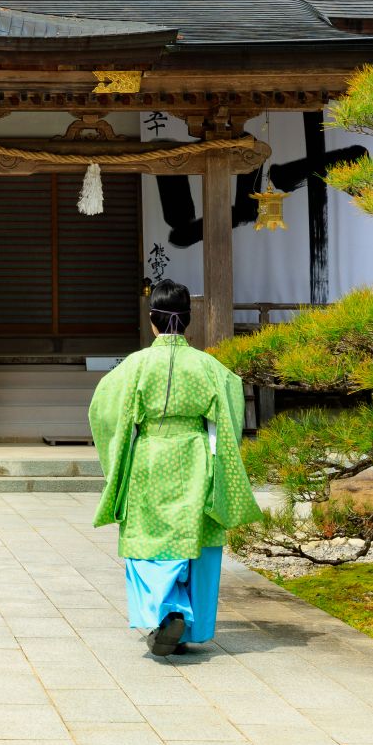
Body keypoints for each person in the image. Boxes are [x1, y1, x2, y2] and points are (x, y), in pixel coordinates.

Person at [88, 279, 260, 657]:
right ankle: (188, 621)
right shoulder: (210, 367)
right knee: (195, 536)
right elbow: (232, 406)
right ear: (188, 321)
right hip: (196, 453)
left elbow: (103, 408)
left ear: (152, 321)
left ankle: (168, 610)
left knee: (148, 539)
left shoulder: (135, 366)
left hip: (151, 455)